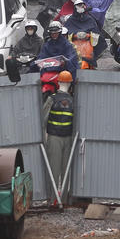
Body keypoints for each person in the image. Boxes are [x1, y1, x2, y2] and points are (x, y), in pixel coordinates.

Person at [42, 69, 75, 202]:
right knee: (66, 170)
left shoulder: (52, 99)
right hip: (68, 138)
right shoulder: (73, 101)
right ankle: (65, 200)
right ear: (70, 84)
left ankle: (52, 200)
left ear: (58, 82)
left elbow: (43, 119)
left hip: (54, 138)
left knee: (53, 170)